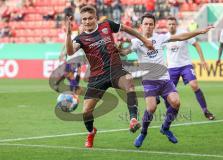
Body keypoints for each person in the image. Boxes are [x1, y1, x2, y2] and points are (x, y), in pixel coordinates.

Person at [65, 5, 154, 148]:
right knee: (86, 112)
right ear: (81, 21)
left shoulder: (107, 25)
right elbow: (70, 52)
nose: (87, 22)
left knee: (129, 83)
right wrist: (68, 34)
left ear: (95, 18)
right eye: (84, 19)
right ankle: (91, 131)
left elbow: (127, 29)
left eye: (90, 18)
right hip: (97, 77)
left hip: (116, 70)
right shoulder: (80, 39)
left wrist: (144, 40)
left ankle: (133, 119)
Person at [119, 13, 213, 147]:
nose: (148, 26)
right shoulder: (136, 42)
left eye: (151, 24)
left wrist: (199, 31)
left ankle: (165, 127)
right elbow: (125, 52)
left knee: (176, 103)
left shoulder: (160, 37)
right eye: (146, 24)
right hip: (150, 80)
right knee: (151, 108)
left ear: (154, 25)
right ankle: (143, 133)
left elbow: (181, 37)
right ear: (141, 26)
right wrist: (119, 49)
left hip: (164, 79)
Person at [165, 16, 215, 120]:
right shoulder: (164, 37)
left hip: (185, 65)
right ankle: (170, 113)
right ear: (167, 25)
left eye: (173, 24)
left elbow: (196, 45)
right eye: (169, 24)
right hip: (172, 67)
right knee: (169, 92)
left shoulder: (183, 33)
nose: (171, 26)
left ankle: (205, 110)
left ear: (176, 25)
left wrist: (202, 60)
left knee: (194, 85)